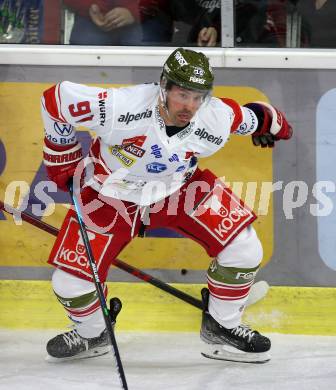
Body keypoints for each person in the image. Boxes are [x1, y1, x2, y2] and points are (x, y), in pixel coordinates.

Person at [41, 47, 292, 363]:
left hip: (179, 190)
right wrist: (60, 156)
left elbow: (256, 115)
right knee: (69, 284)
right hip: (109, 193)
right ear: (164, 86)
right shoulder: (119, 107)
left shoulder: (214, 117)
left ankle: (223, 325)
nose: (190, 106)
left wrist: (275, 126)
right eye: (182, 94)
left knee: (245, 249)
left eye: (197, 96)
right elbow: (55, 100)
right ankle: (95, 333)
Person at [63, 0, 141, 45]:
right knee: (84, 53)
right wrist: (92, 7)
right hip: (89, 17)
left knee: (143, 55)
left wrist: (134, 11)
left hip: (141, 18)